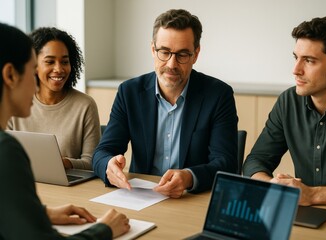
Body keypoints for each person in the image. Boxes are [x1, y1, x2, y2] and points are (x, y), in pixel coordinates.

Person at [0, 22, 130, 239]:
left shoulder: (83, 104)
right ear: (11, 75)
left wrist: (42, 214)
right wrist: (104, 229)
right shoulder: (5, 150)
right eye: (34, 71)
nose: (36, 85)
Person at [93, 9, 238, 198]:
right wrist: (108, 165)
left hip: (192, 199)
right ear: (153, 50)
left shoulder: (218, 95)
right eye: (165, 52)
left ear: (196, 54)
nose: (171, 64)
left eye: (182, 54)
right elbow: (102, 152)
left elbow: (226, 163)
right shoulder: (129, 92)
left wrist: (189, 177)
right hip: (140, 197)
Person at [243, 16, 326, 206]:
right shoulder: (288, 102)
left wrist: (312, 195)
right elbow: (256, 160)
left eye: (309, 61)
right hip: (304, 216)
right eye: (296, 58)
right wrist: (272, 185)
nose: (295, 70)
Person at [7, 27, 100, 170]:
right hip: (25, 181)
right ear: (34, 65)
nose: (58, 69)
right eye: (50, 62)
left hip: (71, 189)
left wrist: (64, 164)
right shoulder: (18, 104)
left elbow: (93, 162)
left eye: (64, 62)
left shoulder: (85, 105)